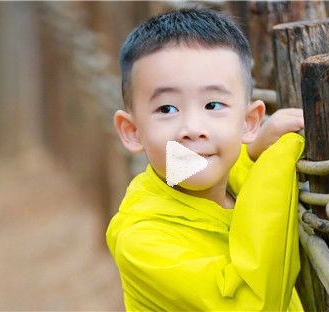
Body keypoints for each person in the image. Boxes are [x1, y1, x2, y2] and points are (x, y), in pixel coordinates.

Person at [107, 7, 305, 311]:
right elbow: (250, 303)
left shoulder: (231, 181)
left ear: (249, 122)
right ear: (132, 131)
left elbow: (224, 168)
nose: (193, 130)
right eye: (167, 109)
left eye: (213, 104)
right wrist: (279, 157)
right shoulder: (141, 241)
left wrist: (254, 152)